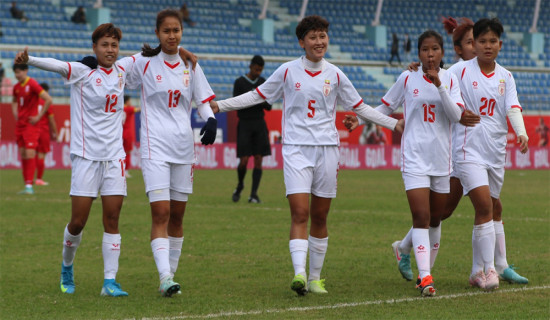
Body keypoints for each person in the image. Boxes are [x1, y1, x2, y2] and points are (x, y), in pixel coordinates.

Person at [210, 15, 404, 296]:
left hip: (327, 150)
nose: (319, 41)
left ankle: (315, 278)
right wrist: (220, 105)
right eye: (312, 37)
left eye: (322, 36)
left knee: (320, 216)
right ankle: (299, 273)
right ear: (302, 42)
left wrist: (392, 122)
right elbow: (257, 96)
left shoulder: (336, 74)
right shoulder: (288, 71)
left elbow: (360, 106)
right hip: (296, 150)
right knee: (299, 212)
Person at [14, 23, 137, 297]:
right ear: (94, 47)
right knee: (78, 222)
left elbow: (154, 54)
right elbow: (57, 65)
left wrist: (182, 50)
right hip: (85, 158)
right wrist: (29, 60)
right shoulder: (83, 71)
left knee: (113, 219)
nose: (109, 49)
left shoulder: (123, 70)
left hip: (114, 158)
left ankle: (110, 281)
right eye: (104, 44)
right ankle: (67, 267)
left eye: (114, 45)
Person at [125, 9, 217, 297]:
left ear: (181, 32)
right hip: (154, 148)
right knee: (161, 213)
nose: (172, 35)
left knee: (177, 217)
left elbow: (203, 101)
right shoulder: (143, 63)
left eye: (176, 30)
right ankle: (164, 277)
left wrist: (210, 120)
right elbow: (112, 67)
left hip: (183, 149)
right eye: (166, 31)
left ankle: (170, 278)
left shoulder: (191, 65)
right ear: (157, 33)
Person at [451, 18, 529, 291]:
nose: (486, 46)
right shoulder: (460, 70)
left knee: (491, 208)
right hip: (467, 149)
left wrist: (521, 132)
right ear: (475, 43)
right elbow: (437, 84)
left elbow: (513, 107)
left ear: (500, 44)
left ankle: (477, 270)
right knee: (485, 207)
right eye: (481, 41)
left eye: (492, 41)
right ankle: (490, 271)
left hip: (496, 151)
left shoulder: (506, 76)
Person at [231, 55, 272, 204]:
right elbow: (236, 103)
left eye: (260, 70)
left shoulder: (263, 83)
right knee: (244, 160)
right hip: (245, 124)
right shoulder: (239, 82)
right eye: (256, 69)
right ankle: (240, 184)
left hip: (259, 123)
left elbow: (269, 105)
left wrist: (259, 99)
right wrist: (253, 97)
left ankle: (254, 194)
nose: (258, 72)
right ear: (250, 67)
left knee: (259, 159)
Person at [11, 64, 53, 195]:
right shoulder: (16, 87)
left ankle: (30, 186)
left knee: (30, 153)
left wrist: (39, 116)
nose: (18, 75)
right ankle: (27, 185)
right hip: (20, 125)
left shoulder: (33, 84)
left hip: (31, 125)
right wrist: (15, 114)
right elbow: (13, 101)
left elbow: (48, 99)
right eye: (16, 73)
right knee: (23, 154)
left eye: (20, 72)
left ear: (26, 71)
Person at [34, 82, 57, 186]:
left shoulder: (33, 100)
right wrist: (55, 132)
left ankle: (30, 178)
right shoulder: (46, 102)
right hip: (43, 130)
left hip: (33, 130)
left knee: (33, 153)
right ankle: (39, 179)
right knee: (41, 154)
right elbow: (51, 120)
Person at [122, 95, 140, 177]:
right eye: (130, 100)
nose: (131, 102)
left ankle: (121, 169)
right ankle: (125, 170)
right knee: (127, 152)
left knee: (121, 152)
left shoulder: (121, 108)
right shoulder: (128, 109)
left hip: (120, 133)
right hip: (127, 133)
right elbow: (138, 109)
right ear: (127, 101)